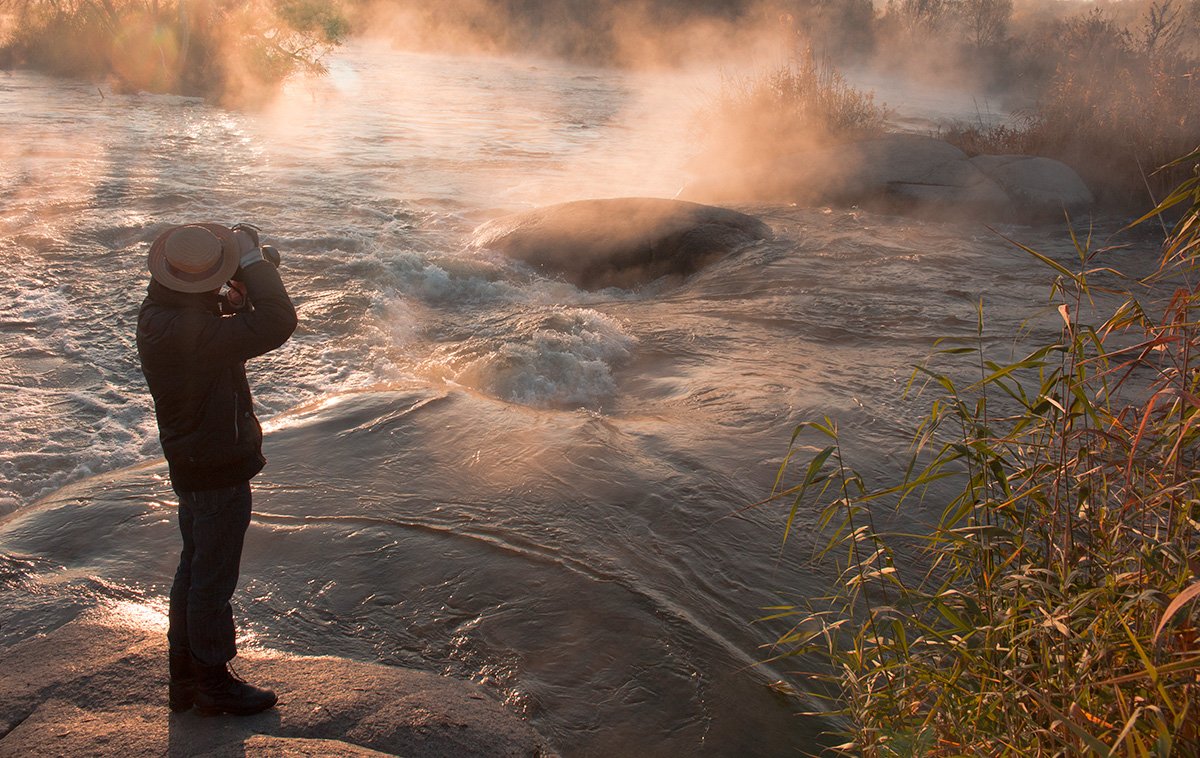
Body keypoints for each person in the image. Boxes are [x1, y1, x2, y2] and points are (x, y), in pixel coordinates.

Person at [137, 222, 297, 716]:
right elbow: (277, 321)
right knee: (212, 579)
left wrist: (244, 280)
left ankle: (184, 678)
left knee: (193, 568)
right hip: (214, 466)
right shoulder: (187, 329)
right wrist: (249, 261)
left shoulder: (165, 313)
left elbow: (232, 318)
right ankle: (213, 683)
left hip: (194, 460)